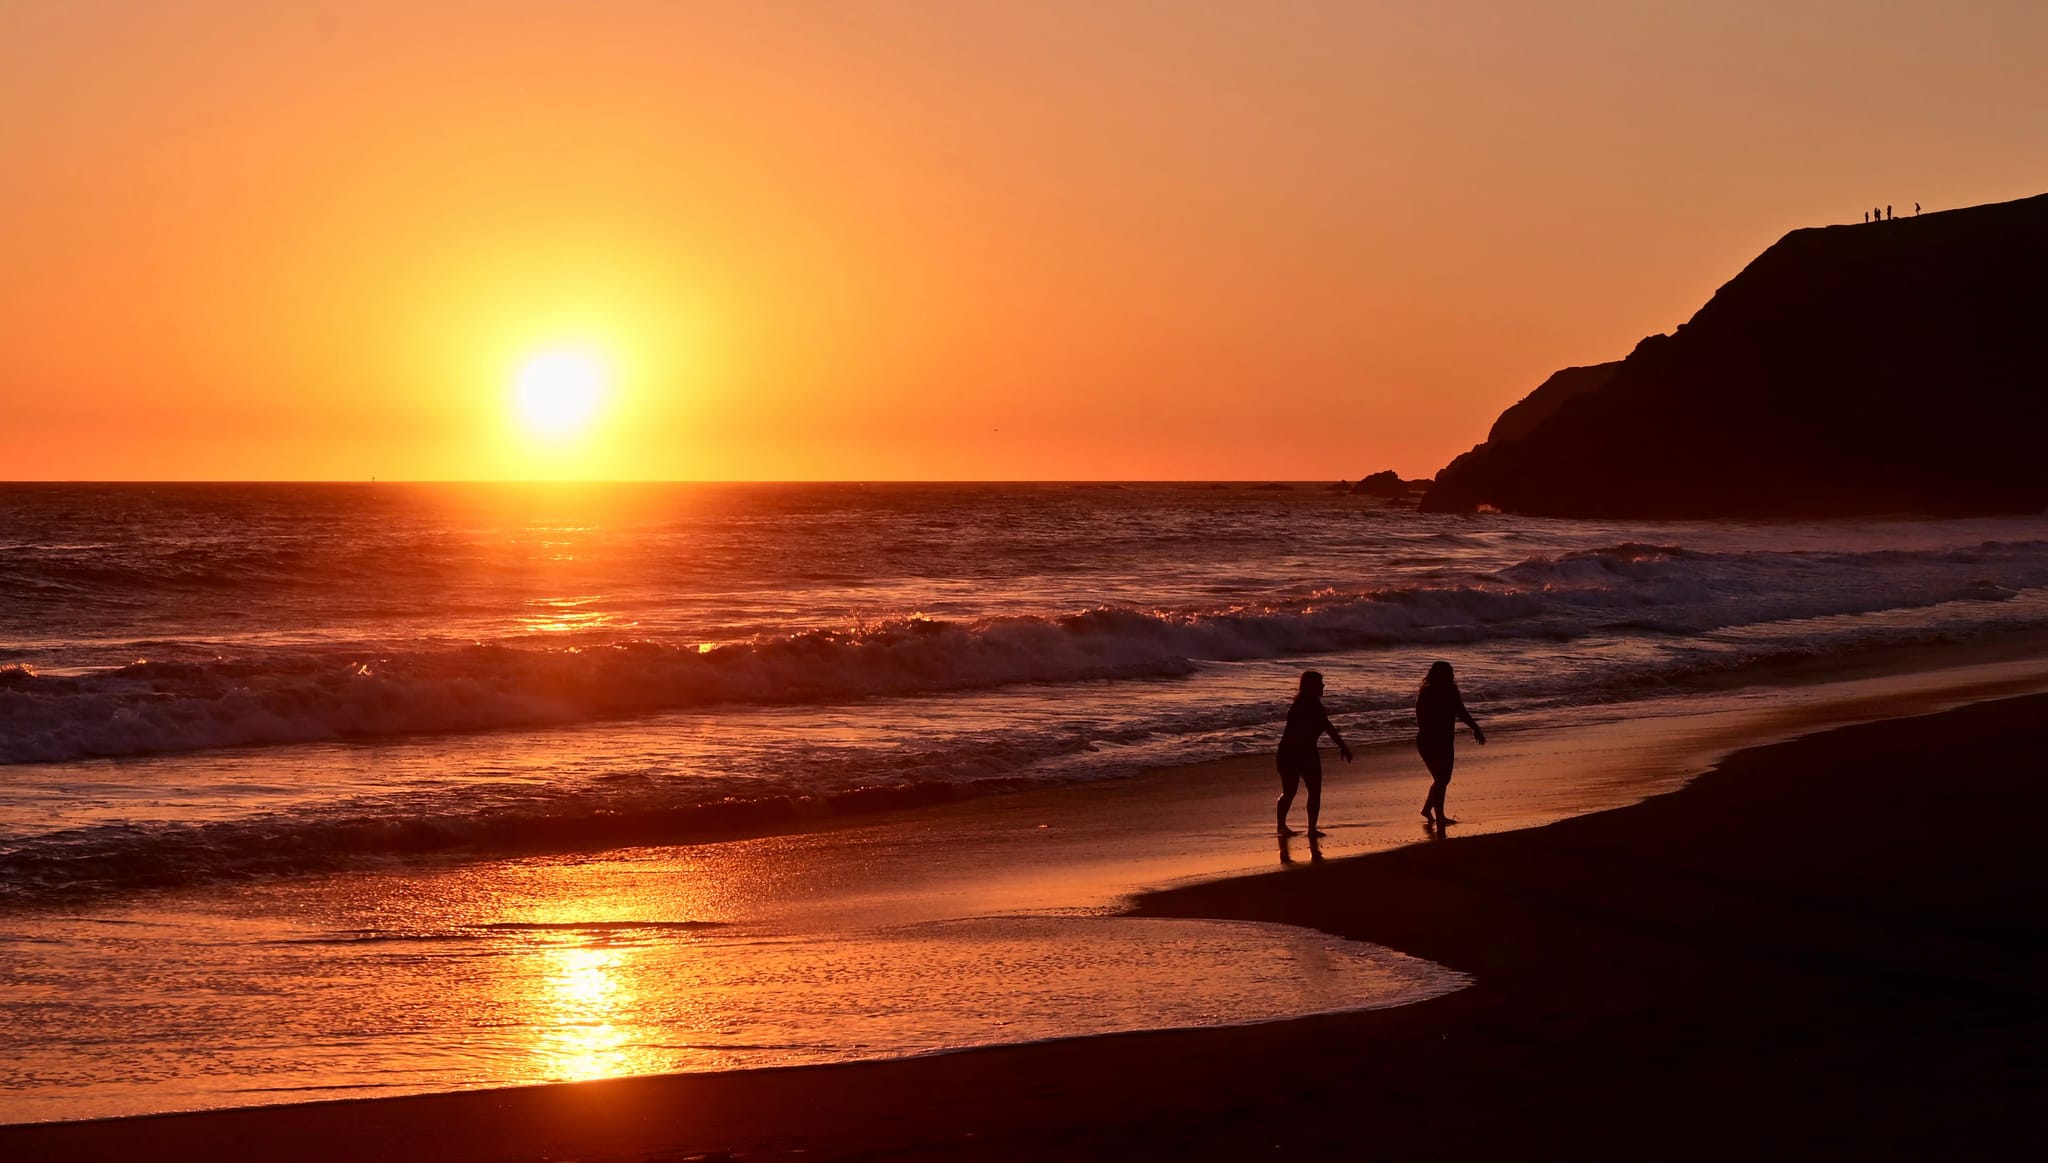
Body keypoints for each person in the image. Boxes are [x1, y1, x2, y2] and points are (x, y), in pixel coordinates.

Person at [1276, 670, 1351, 836]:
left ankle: (1309, 828)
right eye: (1320, 684)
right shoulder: (1305, 705)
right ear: (1311, 686)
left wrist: (1342, 746)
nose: (1323, 686)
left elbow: (1327, 726)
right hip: (1292, 753)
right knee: (1291, 791)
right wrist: (1343, 746)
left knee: (1311, 791)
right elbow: (1326, 727)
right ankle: (1284, 826)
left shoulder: (1313, 705)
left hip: (1305, 752)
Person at [1416, 661, 1485, 825]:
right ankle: (1438, 815)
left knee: (1444, 779)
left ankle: (1427, 810)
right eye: (1449, 673)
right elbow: (1421, 719)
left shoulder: (1452, 692)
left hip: (1446, 741)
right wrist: (1433, 737)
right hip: (1428, 741)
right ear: (1440, 675)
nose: (1453, 675)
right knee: (1441, 778)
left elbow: (1462, 712)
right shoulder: (1426, 693)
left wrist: (1475, 728)